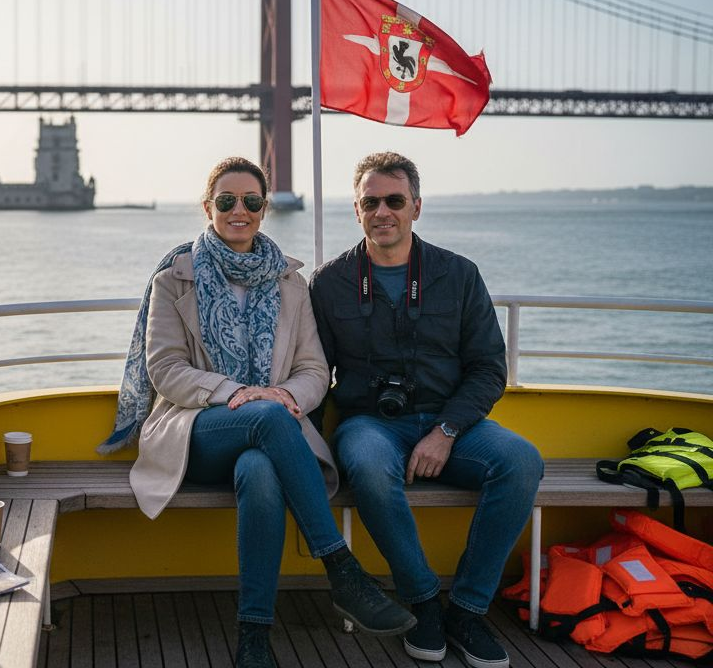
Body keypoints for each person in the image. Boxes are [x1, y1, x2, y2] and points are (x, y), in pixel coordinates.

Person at [100, 156, 414, 668]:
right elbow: (165, 370)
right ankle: (341, 568)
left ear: (264, 209)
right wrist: (235, 393)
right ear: (208, 207)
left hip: (273, 434)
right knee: (265, 420)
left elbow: (314, 369)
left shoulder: (290, 282)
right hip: (195, 431)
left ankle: (254, 635)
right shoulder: (174, 279)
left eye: (250, 201)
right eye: (227, 200)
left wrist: (286, 397)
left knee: (261, 470)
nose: (238, 210)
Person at [309, 152, 543, 668]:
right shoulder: (328, 283)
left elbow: (488, 368)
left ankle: (467, 610)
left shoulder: (458, 274)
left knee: (521, 460)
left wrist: (446, 430)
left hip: (452, 421)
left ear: (416, 206)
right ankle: (423, 604)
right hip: (369, 423)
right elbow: (313, 373)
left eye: (395, 200)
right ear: (356, 210)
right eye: (371, 202)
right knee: (369, 466)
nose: (382, 212)